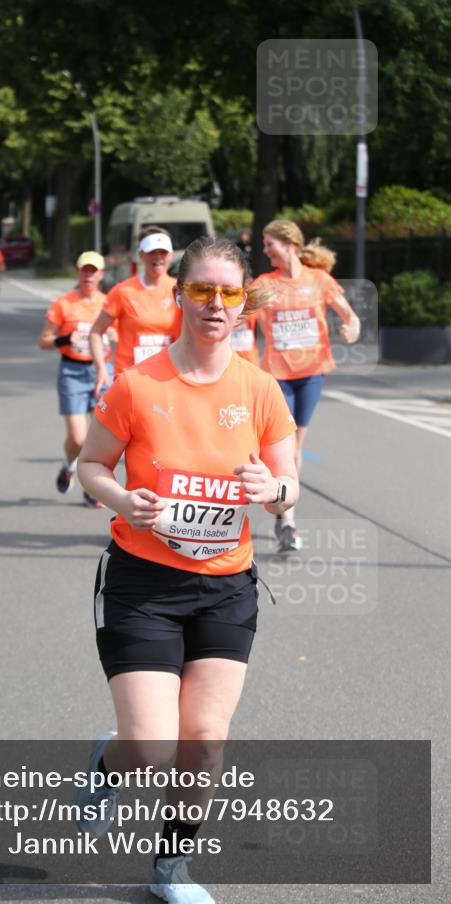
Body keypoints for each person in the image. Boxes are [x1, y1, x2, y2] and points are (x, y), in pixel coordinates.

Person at [76, 237, 298, 904]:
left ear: (242, 305)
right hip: (143, 583)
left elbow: (289, 487)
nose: (214, 304)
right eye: (201, 290)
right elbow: (91, 465)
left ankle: (168, 868)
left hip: (225, 587)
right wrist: (122, 500)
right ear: (180, 295)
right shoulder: (138, 385)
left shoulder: (258, 389)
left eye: (227, 293)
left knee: (203, 741)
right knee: (150, 747)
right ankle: (105, 763)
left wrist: (272, 490)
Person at [250, 220, 360, 552]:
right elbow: (238, 315)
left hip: (312, 372)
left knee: (295, 448)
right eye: (265, 244)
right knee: (286, 448)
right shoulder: (265, 284)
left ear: (290, 244)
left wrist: (351, 328)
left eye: (270, 244)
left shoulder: (319, 280)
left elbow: (349, 315)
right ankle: (288, 520)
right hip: (277, 375)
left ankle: (284, 515)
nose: (266, 250)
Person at [39, 251, 114, 508]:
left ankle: (91, 488)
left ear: (101, 275)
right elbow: (44, 341)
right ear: (78, 272)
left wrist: (112, 336)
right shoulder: (64, 304)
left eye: (94, 271)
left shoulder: (109, 303)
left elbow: (121, 333)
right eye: (85, 270)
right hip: (72, 372)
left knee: (100, 437)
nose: (89, 276)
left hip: (102, 370)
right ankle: (68, 465)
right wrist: (62, 340)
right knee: (78, 438)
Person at [89, 227, 181, 397]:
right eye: (152, 252)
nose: (158, 257)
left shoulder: (180, 291)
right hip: (131, 378)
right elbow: (95, 332)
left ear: (171, 255)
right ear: (141, 255)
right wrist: (101, 368)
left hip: (169, 377)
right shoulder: (123, 291)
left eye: (163, 252)